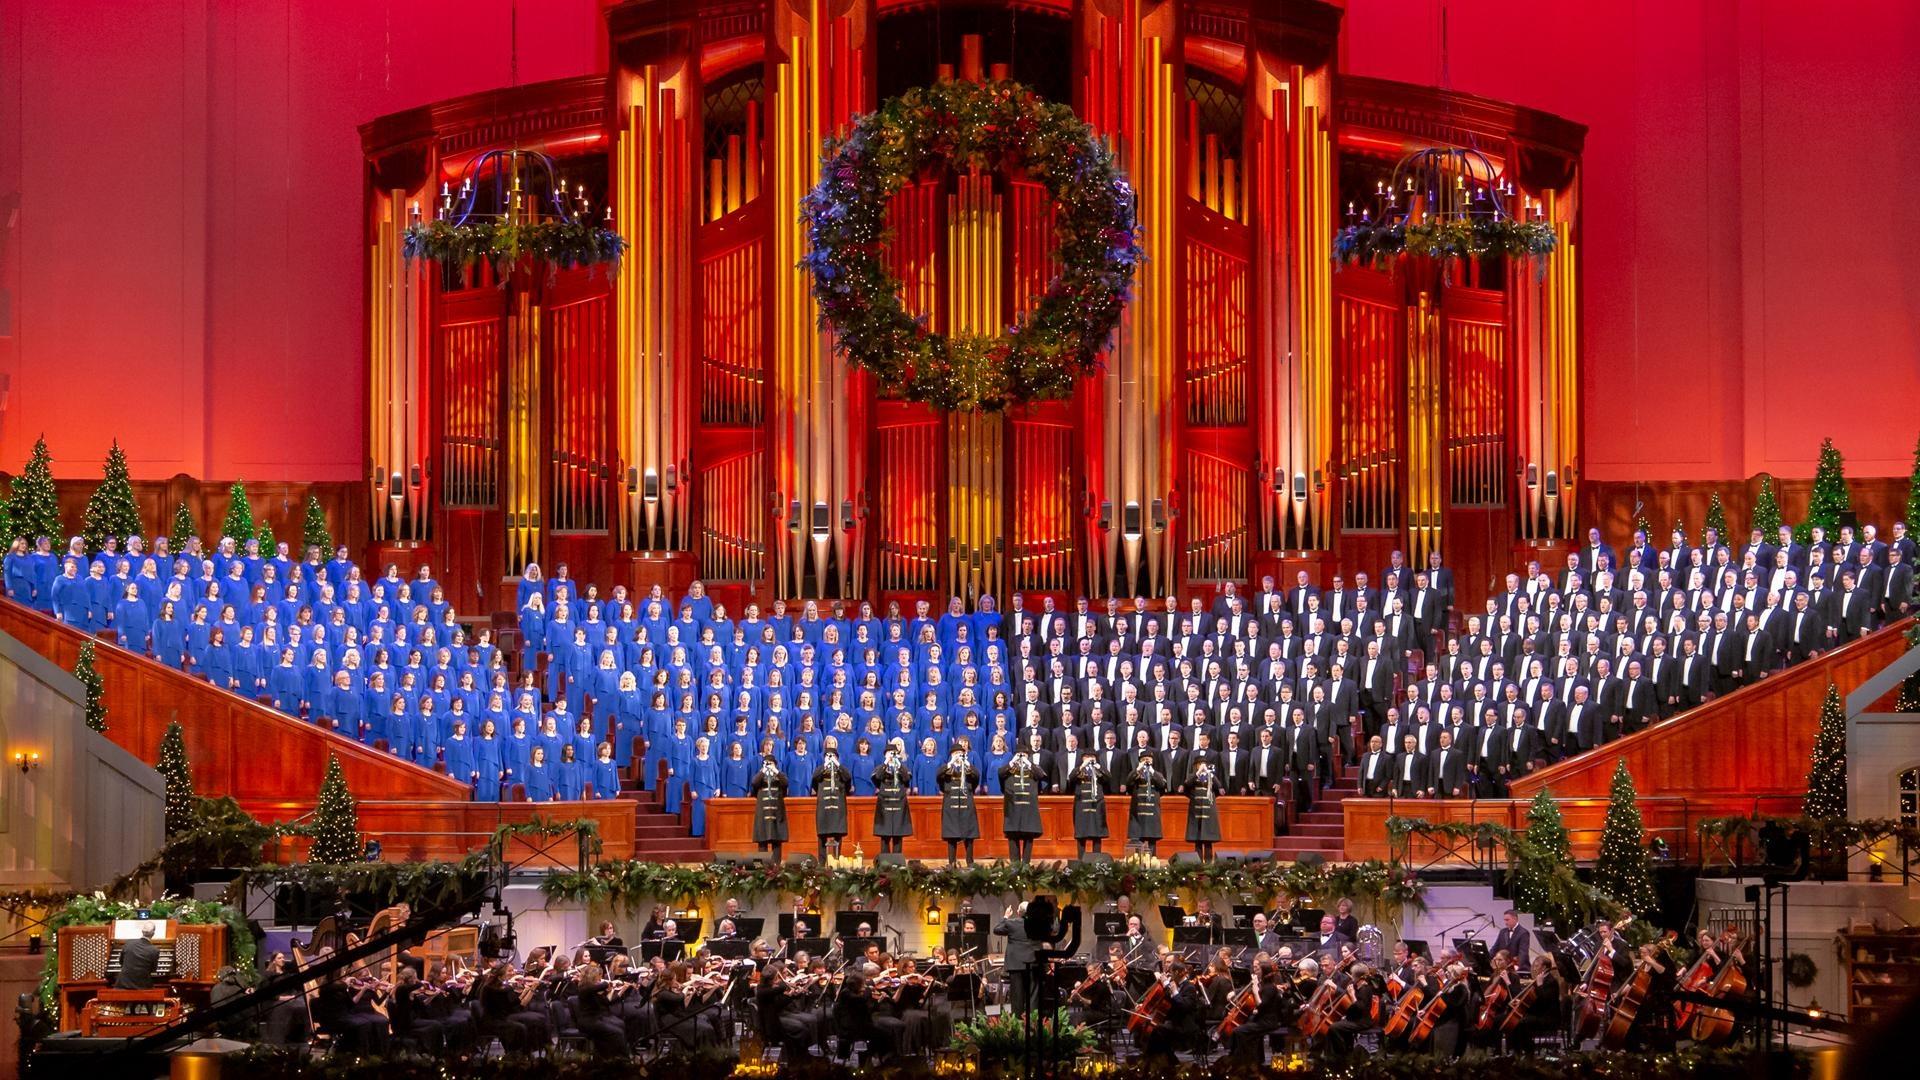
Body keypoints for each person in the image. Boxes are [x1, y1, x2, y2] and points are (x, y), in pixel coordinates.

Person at [993, 901, 1039, 1015]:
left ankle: (1017, 1024)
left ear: (1018, 912)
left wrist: (1005, 917)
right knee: (1032, 996)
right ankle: (1032, 1024)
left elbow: (997, 929)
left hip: (1016, 965)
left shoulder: (1011, 923)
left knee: (1017, 997)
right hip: (1032, 963)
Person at [937, 745, 980, 866]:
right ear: (951, 755)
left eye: (960, 753)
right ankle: (952, 862)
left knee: (969, 835)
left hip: (967, 805)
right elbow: (939, 777)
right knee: (951, 835)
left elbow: (976, 778)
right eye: (956, 753)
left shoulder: (967, 768)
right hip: (951, 806)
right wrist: (950, 763)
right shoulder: (947, 768)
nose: (958, 756)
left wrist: (966, 763)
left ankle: (970, 861)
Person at [999, 750, 1043, 863]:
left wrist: (1028, 762)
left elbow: (1040, 775)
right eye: (1019, 755)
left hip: (1029, 810)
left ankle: (1026, 866)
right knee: (1013, 838)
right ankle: (1015, 867)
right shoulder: (1009, 769)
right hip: (1013, 810)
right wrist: (1013, 761)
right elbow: (1000, 773)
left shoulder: (1033, 769)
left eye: (1024, 755)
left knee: (1029, 838)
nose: (1021, 757)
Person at [872, 742, 913, 855]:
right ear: (885, 755)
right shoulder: (880, 768)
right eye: (889, 753)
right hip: (884, 805)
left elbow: (906, 778)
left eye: (894, 753)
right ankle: (885, 863)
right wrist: (886, 763)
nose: (892, 755)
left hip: (899, 805)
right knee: (884, 836)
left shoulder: (902, 768)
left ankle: (897, 863)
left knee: (898, 835)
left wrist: (898, 765)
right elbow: (877, 778)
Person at [812, 747, 853, 862]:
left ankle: (836, 860)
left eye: (833, 756)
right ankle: (822, 862)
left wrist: (837, 765)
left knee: (838, 834)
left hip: (837, 808)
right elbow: (815, 780)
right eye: (828, 756)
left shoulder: (841, 771)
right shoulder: (821, 770)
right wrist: (825, 765)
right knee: (822, 835)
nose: (830, 758)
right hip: (824, 808)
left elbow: (848, 779)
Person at [1128, 751, 1169, 856]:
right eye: (1144, 759)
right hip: (1138, 812)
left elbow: (1162, 785)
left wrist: (1152, 771)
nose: (1146, 760)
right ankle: (1137, 862)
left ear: (1152, 761)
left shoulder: (1156, 773)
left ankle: (1152, 862)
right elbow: (1128, 782)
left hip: (1152, 811)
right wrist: (1137, 769)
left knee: (1152, 838)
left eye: (1149, 758)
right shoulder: (1136, 773)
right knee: (1137, 838)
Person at [1068, 752, 1108, 858]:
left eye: (1092, 757)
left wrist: (1099, 767)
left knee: (1097, 834)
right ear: (1082, 759)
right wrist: (1082, 766)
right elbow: (1071, 778)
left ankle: (1097, 863)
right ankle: (1081, 861)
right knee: (1081, 834)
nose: (1089, 759)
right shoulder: (1079, 769)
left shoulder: (1098, 769)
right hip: (1081, 806)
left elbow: (1108, 778)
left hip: (1097, 806)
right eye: (1087, 757)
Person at [750, 755, 789, 861]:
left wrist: (775, 770)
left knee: (777, 840)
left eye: (770, 763)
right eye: (766, 763)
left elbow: (785, 783)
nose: (768, 765)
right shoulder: (760, 777)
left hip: (777, 813)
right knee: (762, 840)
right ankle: (763, 868)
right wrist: (763, 770)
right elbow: (754, 783)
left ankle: (776, 866)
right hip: (763, 814)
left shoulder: (779, 776)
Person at [1186, 760, 1222, 862]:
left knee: (1208, 839)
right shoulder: (1193, 776)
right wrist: (1198, 773)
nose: (1202, 766)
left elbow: (1219, 786)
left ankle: (1209, 863)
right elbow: (1187, 785)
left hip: (1208, 812)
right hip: (1196, 811)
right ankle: (1198, 862)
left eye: (1204, 764)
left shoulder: (1210, 776)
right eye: (1199, 764)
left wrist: (1209, 773)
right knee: (1197, 839)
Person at [114, 925, 161, 989]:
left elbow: (121, 962)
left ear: (142, 931)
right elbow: (153, 970)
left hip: (122, 984)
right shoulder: (154, 950)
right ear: (153, 934)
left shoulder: (128, 943)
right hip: (142, 986)